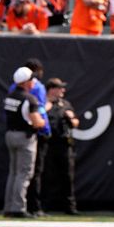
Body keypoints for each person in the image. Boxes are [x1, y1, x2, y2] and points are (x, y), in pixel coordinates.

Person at [4, 67, 45, 219]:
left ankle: (9, 206)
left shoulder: (10, 96)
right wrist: (41, 121)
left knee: (13, 173)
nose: (33, 82)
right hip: (25, 137)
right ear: (26, 82)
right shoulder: (29, 99)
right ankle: (18, 207)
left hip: (10, 134)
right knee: (24, 173)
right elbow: (36, 122)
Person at [42, 78, 78, 215]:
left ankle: (70, 207)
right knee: (46, 175)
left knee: (68, 176)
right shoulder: (43, 103)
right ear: (51, 89)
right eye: (59, 88)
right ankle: (43, 206)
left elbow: (76, 123)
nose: (63, 90)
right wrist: (47, 106)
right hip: (47, 144)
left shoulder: (65, 104)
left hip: (64, 145)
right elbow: (37, 116)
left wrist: (70, 118)